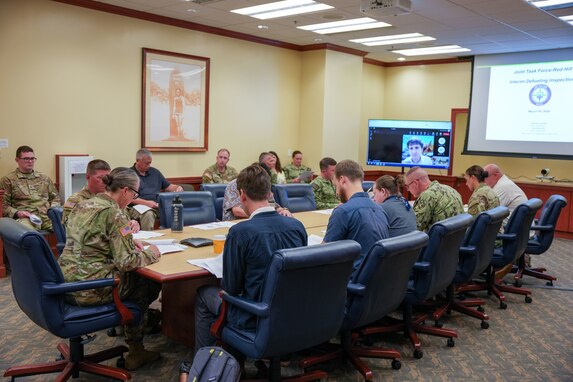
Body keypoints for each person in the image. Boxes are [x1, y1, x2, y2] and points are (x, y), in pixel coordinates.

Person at [194, 164, 307, 352]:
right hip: (292, 312)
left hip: (253, 315)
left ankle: (206, 363)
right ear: (270, 194)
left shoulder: (240, 233)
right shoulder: (297, 227)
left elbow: (231, 288)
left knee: (204, 294)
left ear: (242, 195)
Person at [58, 168, 162, 370]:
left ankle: (129, 324)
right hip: (90, 288)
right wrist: (152, 253)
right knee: (145, 283)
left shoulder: (84, 204)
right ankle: (136, 350)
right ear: (124, 190)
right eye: (134, 194)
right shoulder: (114, 212)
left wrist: (130, 241)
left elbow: (100, 240)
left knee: (136, 279)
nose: (134, 198)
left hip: (66, 281)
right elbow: (126, 263)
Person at [323, 160, 389, 273]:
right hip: (376, 280)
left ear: (342, 180)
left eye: (336, 186)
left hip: (349, 280)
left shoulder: (343, 211)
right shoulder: (381, 210)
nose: (337, 193)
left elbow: (323, 253)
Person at [62, 159, 140, 233]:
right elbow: (69, 228)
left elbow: (121, 226)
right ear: (87, 177)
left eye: (107, 178)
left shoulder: (114, 200)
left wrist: (133, 224)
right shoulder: (76, 200)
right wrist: (125, 230)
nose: (104, 181)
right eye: (100, 178)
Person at [0, 145, 61, 231]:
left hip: (46, 216)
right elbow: (3, 206)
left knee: (67, 229)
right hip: (25, 218)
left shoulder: (44, 178)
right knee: (28, 234)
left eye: (32, 158)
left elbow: (56, 198)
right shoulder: (8, 180)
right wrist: (18, 213)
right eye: (26, 159)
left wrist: (50, 210)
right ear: (17, 160)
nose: (30, 161)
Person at [129, 149, 183, 230]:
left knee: (176, 209)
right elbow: (129, 197)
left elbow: (168, 186)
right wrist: (146, 203)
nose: (149, 165)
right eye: (146, 163)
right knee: (148, 214)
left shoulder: (155, 172)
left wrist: (178, 187)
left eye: (150, 163)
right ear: (137, 161)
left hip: (157, 206)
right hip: (138, 207)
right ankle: (147, 239)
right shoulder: (129, 174)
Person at [222, 161, 291, 221]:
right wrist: (263, 214)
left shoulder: (263, 183)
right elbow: (236, 211)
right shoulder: (234, 185)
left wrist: (283, 210)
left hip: (260, 220)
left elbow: (272, 205)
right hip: (235, 222)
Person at [405, 166, 464, 233]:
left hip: (438, 241)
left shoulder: (427, 196)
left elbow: (413, 228)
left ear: (416, 183)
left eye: (408, 186)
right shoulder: (451, 189)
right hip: (456, 239)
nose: (408, 190)